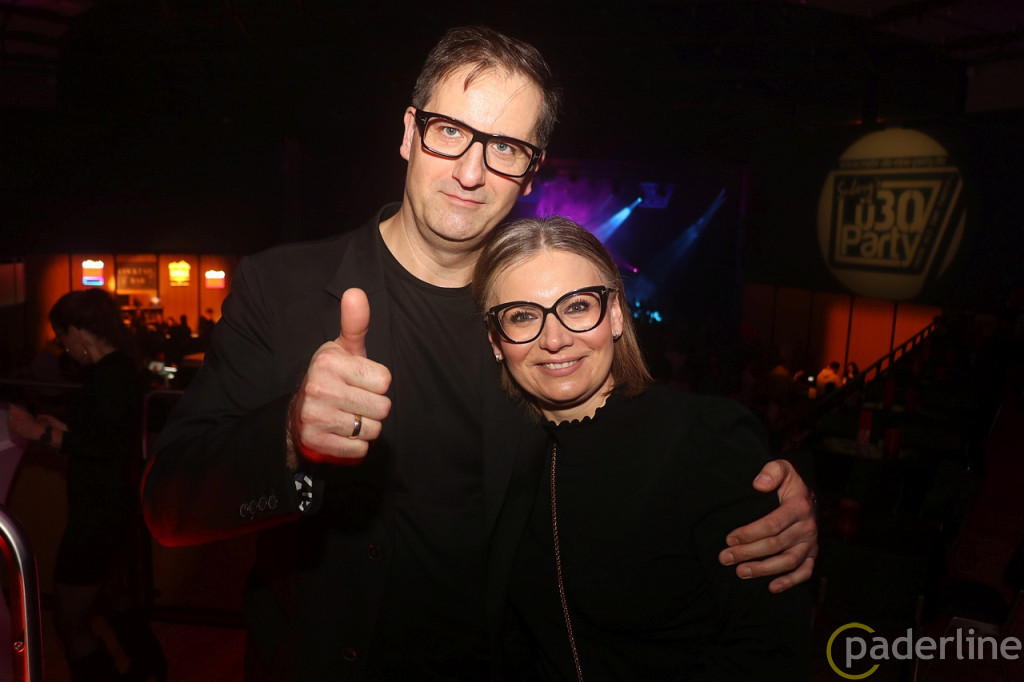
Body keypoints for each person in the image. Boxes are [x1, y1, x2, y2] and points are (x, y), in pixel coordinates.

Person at [141, 25, 817, 680]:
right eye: (450, 132)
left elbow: (629, 456)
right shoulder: (280, 288)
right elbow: (169, 507)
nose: (471, 171)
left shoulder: (535, 326)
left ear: (531, 172)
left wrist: (758, 497)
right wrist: (289, 438)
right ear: (409, 132)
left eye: (506, 148)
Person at [472, 215, 811, 680]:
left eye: (577, 306)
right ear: (496, 340)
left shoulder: (704, 437)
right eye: (523, 315)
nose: (554, 339)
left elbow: (771, 651)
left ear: (614, 314)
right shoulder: (502, 455)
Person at [7, 289, 166, 682]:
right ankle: (151, 667)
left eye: (62, 336)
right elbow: (106, 432)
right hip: (110, 506)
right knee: (111, 594)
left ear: (78, 331)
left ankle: (134, 670)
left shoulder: (110, 374)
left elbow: (103, 445)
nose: (63, 347)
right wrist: (63, 428)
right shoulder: (116, 370)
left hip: (97, 513)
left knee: (69, 618)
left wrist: (38, 433)